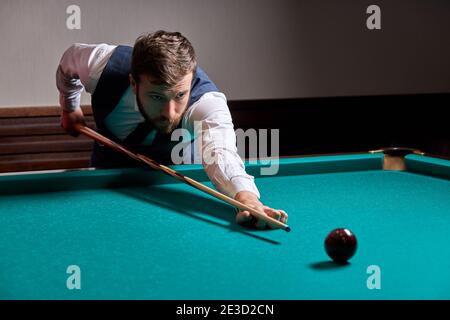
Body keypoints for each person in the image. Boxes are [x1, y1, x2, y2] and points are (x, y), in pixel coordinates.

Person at [56, 30, 287, 229]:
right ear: (134, 83)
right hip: (107, 176)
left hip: (177, 180)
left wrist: (245, 197)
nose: (170, 112)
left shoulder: (207, 103)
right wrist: (69, 108)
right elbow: (69, 62)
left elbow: (221, 152)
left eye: (180, 95)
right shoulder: (101, 65)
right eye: (157, 96)